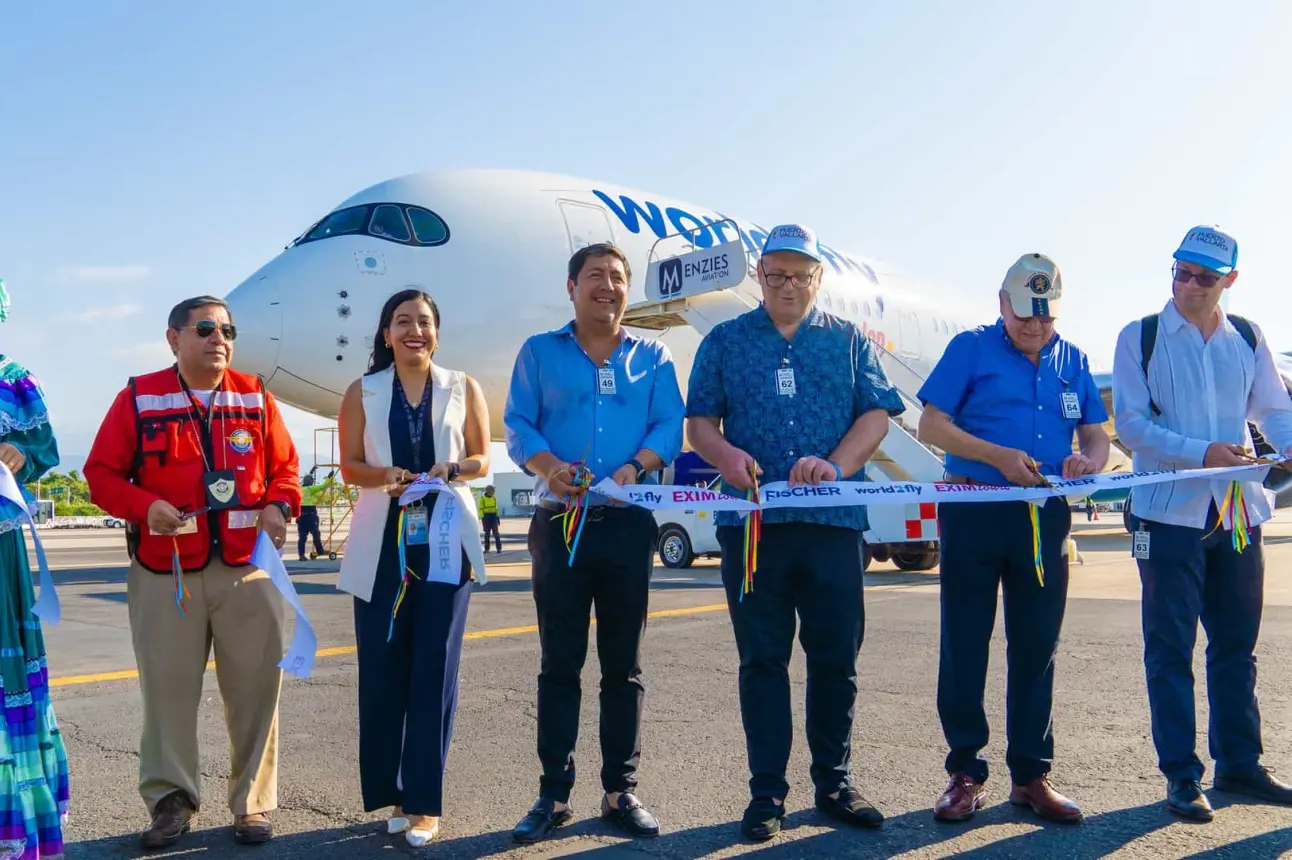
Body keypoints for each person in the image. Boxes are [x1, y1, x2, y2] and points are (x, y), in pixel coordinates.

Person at [685, 225, 905, 841]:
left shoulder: (847, 342)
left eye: (800, 275)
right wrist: (725, 457)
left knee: (836, 659)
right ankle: (766, 793)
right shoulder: (725, 341)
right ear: (759, 275)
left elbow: (877, 414)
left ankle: (834, 782)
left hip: (833, 524)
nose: (788, 285)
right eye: (776, 273)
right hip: (754, 529)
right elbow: (699, 422)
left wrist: (836, 465)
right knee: (762, 661)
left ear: (817, 279)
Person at [83, 295, 301, 848]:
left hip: (247, 569)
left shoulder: (255, 397)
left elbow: (287, 469)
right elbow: (101, 475)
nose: (219, 338)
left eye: (227, 329)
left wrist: (280, 505)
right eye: (205, 328)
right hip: (165, 572)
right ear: (173, 338)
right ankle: (170, 801)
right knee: (167, 694)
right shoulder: (138, 396)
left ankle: (253, 802)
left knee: (256, 690)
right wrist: (142, 506)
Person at [916, 253, 1109, 825]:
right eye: (1026, 315)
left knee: (1037, 646)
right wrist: (996, 455)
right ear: (1002, 304)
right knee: (966, 644)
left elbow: (1095, 436)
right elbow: (931, 425)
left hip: (1043, 516)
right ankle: (965, 774)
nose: (1035, 327)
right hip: (975, 508)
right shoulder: (970, 348)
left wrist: (1088, 463)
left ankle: (1030, 775)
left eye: (1046, 318)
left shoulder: (1073, 360)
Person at [504, 242, 684, 844]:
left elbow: (669, 426)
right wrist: (551, 465)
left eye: (617, 277)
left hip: (628, 524)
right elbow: (518, 426)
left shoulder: (653, 355)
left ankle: (619, 788)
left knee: (622, 665)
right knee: (559, 663)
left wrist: (636, 466)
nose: (606, 287)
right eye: (595, 277)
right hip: (561, 526)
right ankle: (552, 793)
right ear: (572, 286)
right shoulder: (539, 353)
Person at [1112, 225, 1292, 821]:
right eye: (1181, 272)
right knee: (1170, 648)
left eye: (1204, 278)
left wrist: (1287, 446)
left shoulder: (1247, 336)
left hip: (1237, 513)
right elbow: (1133, 429)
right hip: (1168, 515)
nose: (1188, 285)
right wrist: (1202, 451)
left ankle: (1239, 764)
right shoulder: (1140, 337)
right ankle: (1182, 776)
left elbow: (1273, 408)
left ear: (1230, 282)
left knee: (1236, 647)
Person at [335, 288, 490, 847]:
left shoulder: (462, 386)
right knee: (382, 671)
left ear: (437, 333)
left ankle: (425, 802)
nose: (414, 331)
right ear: (385, 333)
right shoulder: (363, 390)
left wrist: (452, 468)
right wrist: (386, 477)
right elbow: (350, 465)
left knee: (434, 670)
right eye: (403, 322)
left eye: (424, 322)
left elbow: (482, 458)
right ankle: (393, 792)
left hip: (446, 541)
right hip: (382, 542)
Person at [0, 282, 71, 860]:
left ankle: (14, 829)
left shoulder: (16, 379)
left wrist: (22, 458)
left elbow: (45, 453)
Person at [297, 472, 325, 560]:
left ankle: (301, 555)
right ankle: (320, 550)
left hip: (301, 516)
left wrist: (311, 472)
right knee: (316, 533)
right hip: (311, 515)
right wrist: (329, 478)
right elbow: (323, 486)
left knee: (302, 537)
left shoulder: (299, 488)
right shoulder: (310, 489)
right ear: (311, 482)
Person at [479, 485, 502, 553]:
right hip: (486, 517)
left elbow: (496, 508)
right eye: (493, 490)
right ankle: (487, 549)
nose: (494, 492)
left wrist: (497, 517)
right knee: (487, 534)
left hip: (493, 517)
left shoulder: (494, 498)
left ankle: (499, 549)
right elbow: (481, 509)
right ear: (489, 491)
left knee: (496, 534)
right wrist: (482, 518)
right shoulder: (482, 498)